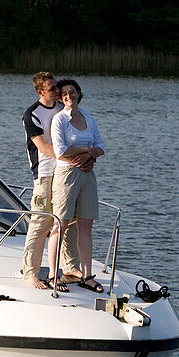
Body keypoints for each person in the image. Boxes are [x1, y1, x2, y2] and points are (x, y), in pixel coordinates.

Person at [21, 72, 92, 291]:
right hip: (44, 173)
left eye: (57, 88)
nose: (58, 92)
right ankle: (31, 273)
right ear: (41, 92)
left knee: (67, 220)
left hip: (66, 172)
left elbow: (80, 136)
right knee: (41, 222)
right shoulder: (32, 114)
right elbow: (43, 147)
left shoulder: (64, 110)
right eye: (53, 89)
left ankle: (70, 268)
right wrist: (76, 158)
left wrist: (86, 159)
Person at [50, 79, 105, 293]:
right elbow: (61, 151)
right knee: (60, 224)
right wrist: (86, 151)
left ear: (78, 93)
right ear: (60, 97)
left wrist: (90, 156)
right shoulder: (59, 119)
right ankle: (54, 275)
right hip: (66, 174)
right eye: (64, 94)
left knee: (86, 226)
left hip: (88, 173)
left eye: (72, 92)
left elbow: (100, 146)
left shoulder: (88, 117)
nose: (68, 96)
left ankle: (87, 275)